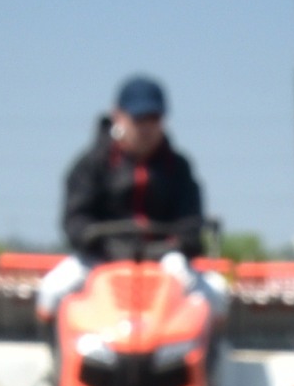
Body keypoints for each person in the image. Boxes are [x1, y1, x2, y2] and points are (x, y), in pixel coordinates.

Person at [58, 75, 205, 255]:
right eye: (139, 118)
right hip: (98, 257)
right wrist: (101, 244)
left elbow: (190, 223)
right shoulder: (91, 164)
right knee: (53, 284)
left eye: (153, 118)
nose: (146, 127)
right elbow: (76, 219)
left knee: (214, 283)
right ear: (117, 116)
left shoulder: (178, 167)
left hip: (167, 260)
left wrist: (175, 246)